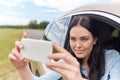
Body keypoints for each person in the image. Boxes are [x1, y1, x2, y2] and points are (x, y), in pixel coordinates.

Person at [8, 16, 120, 80]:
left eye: (84, 39)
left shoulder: (112, 58)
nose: (77, 45)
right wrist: (22, 68)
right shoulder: (67, 61)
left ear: (95, 40)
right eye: (73, 39)